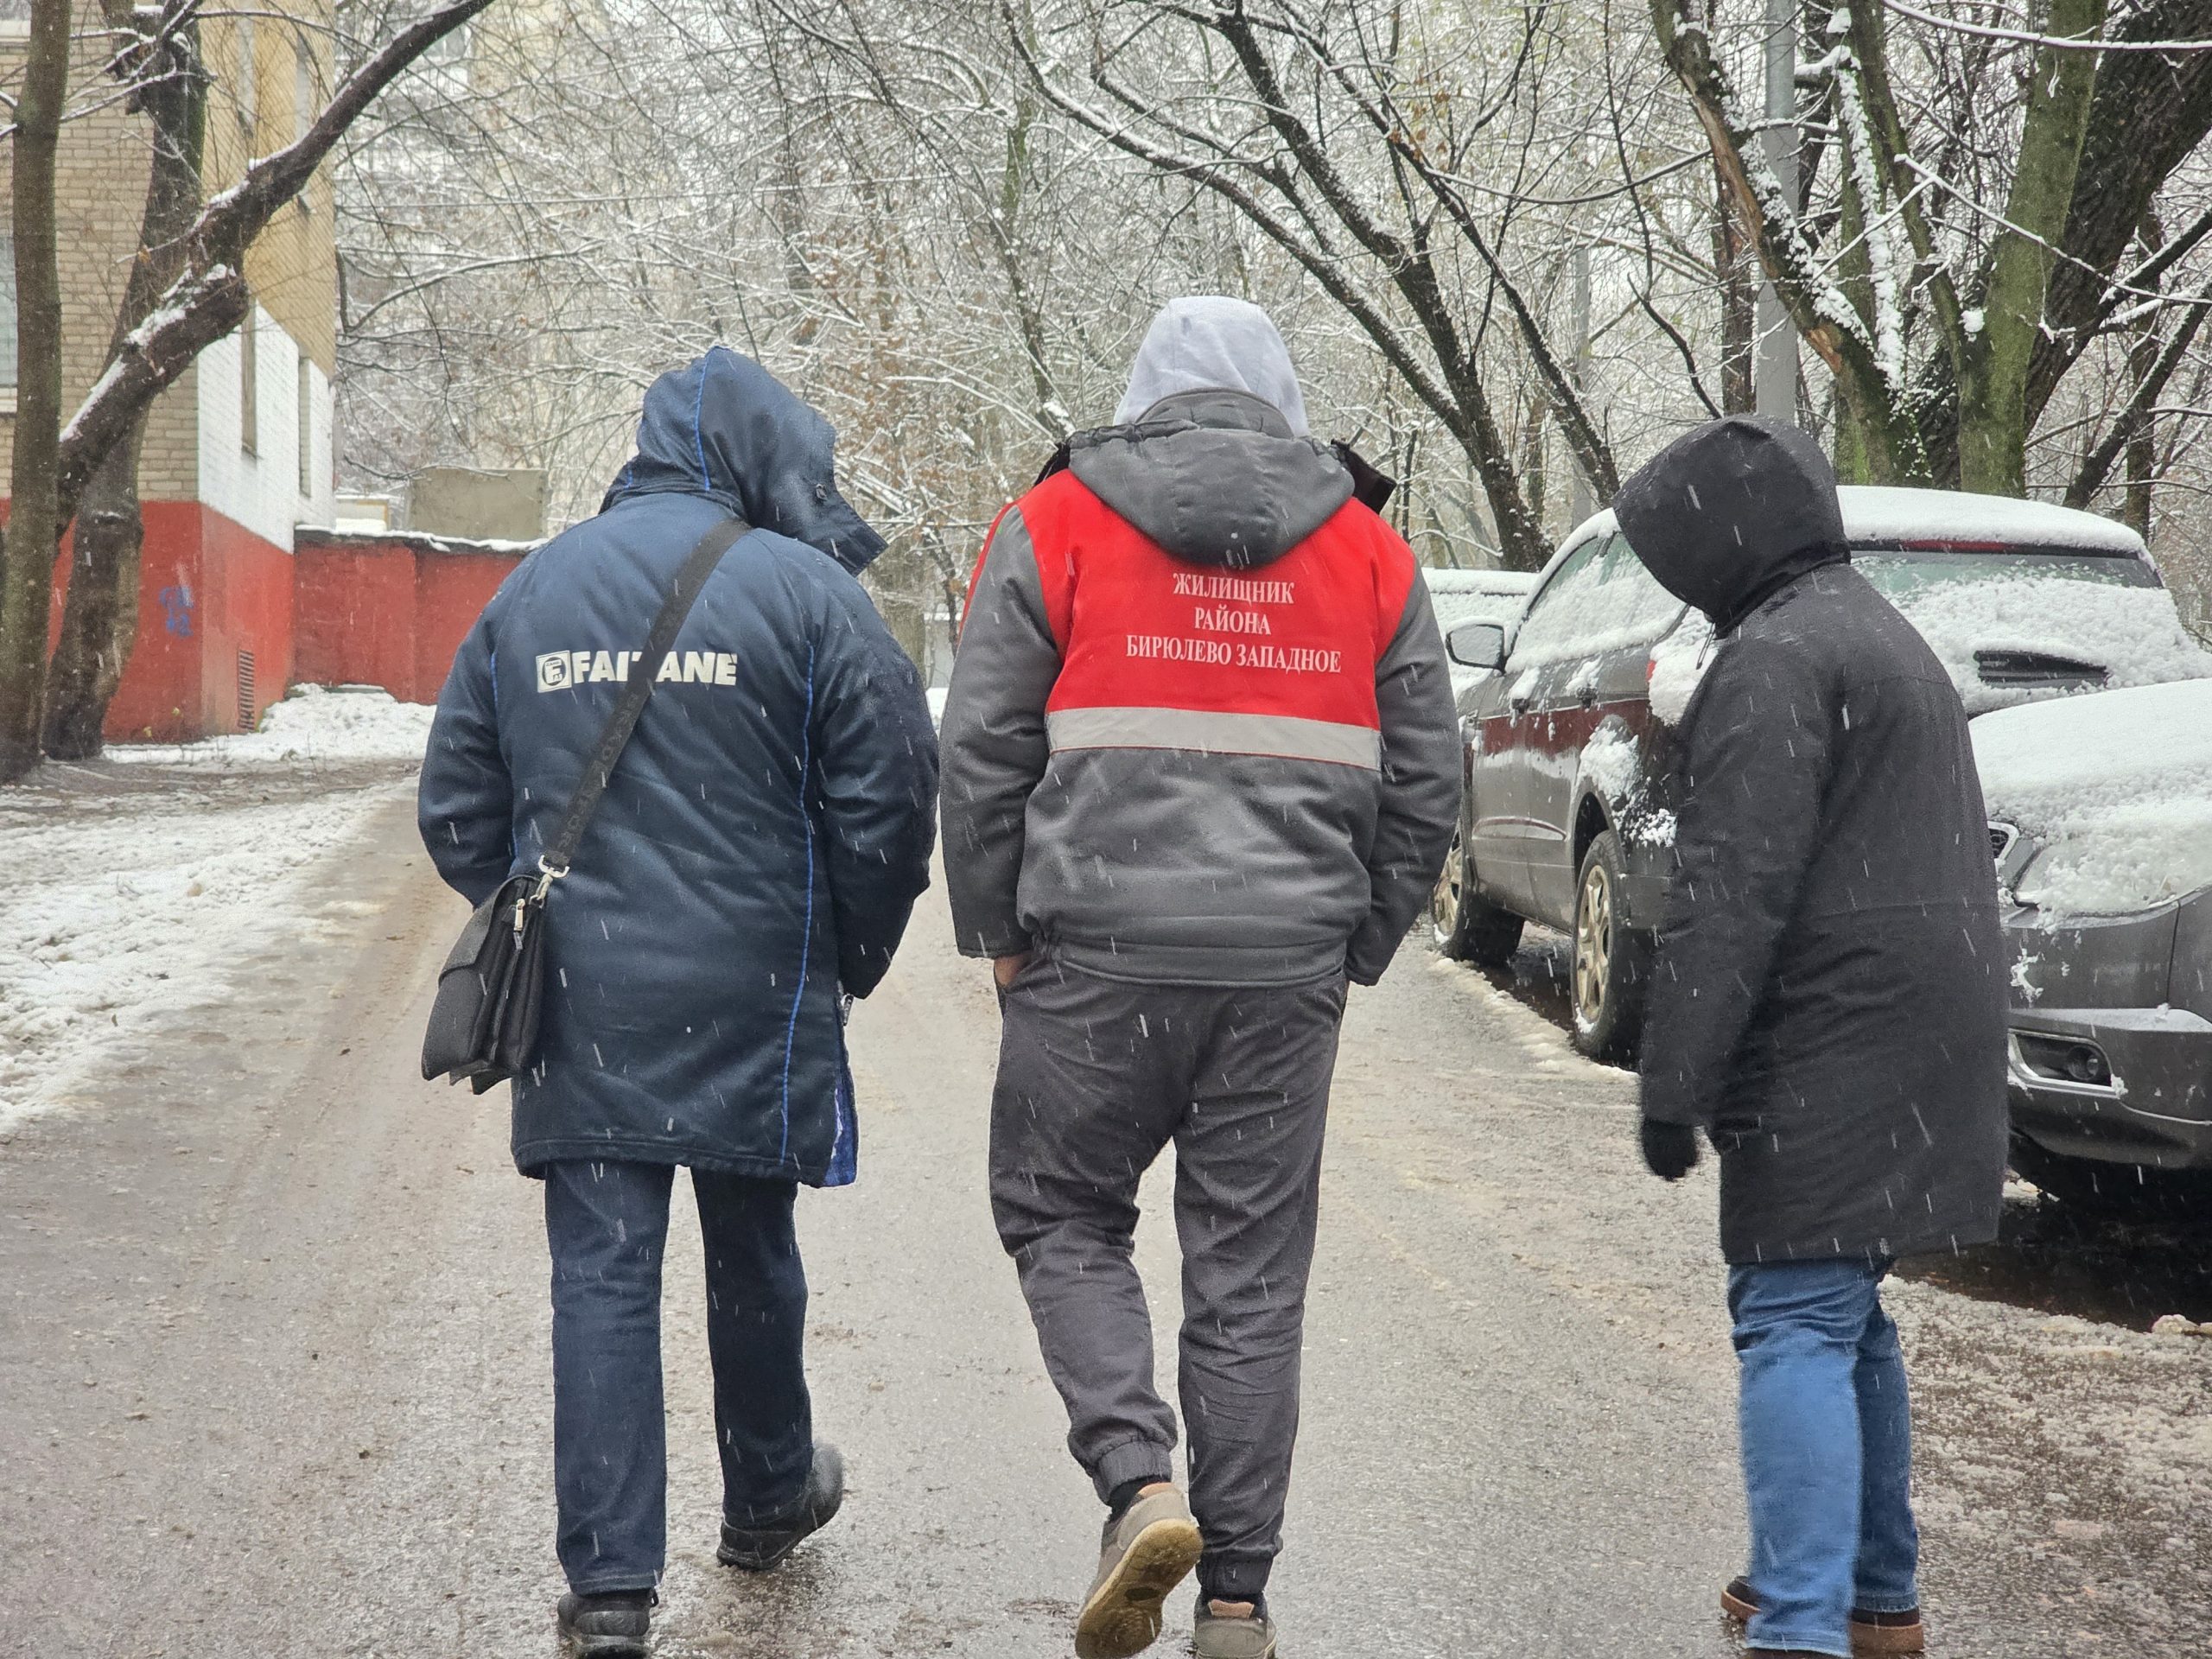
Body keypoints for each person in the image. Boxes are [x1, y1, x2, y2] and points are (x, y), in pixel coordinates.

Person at [938, 296, 1460, 1659]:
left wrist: (999, 932)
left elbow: (983, 746)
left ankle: (1139, 1485)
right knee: (1250, 1274)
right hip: (1283, 972)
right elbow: (1428, 782)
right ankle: (1235, 1599)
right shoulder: (1372, 552)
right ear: (1284, 400)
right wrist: (1357, 940)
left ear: (1144, 394)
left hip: (1093, 953)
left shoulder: (1054, 523)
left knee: (1060, 1210)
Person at [417, 347, 938, 1658]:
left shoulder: (535, 586)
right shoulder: (810, 595)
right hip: (753, 985)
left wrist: (544, 912)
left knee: (601, 1271)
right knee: (752, 1242)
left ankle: (610, 1590)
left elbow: (457, 805)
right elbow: (891, 801)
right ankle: (767, 1495)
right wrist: (843, 951)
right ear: (764, 460)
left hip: (584, 994)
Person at [1616, 416, 2007, 1659]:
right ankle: (1877, 1601)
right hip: (1926, 1024)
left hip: (1839, 1032)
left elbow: (1732, 890)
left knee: (1789, 1311)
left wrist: (1674, 1082)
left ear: (1720, 545)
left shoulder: (1776, 658)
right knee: (1848, 1311)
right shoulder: (1878, 630)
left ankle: (1801, 1626)